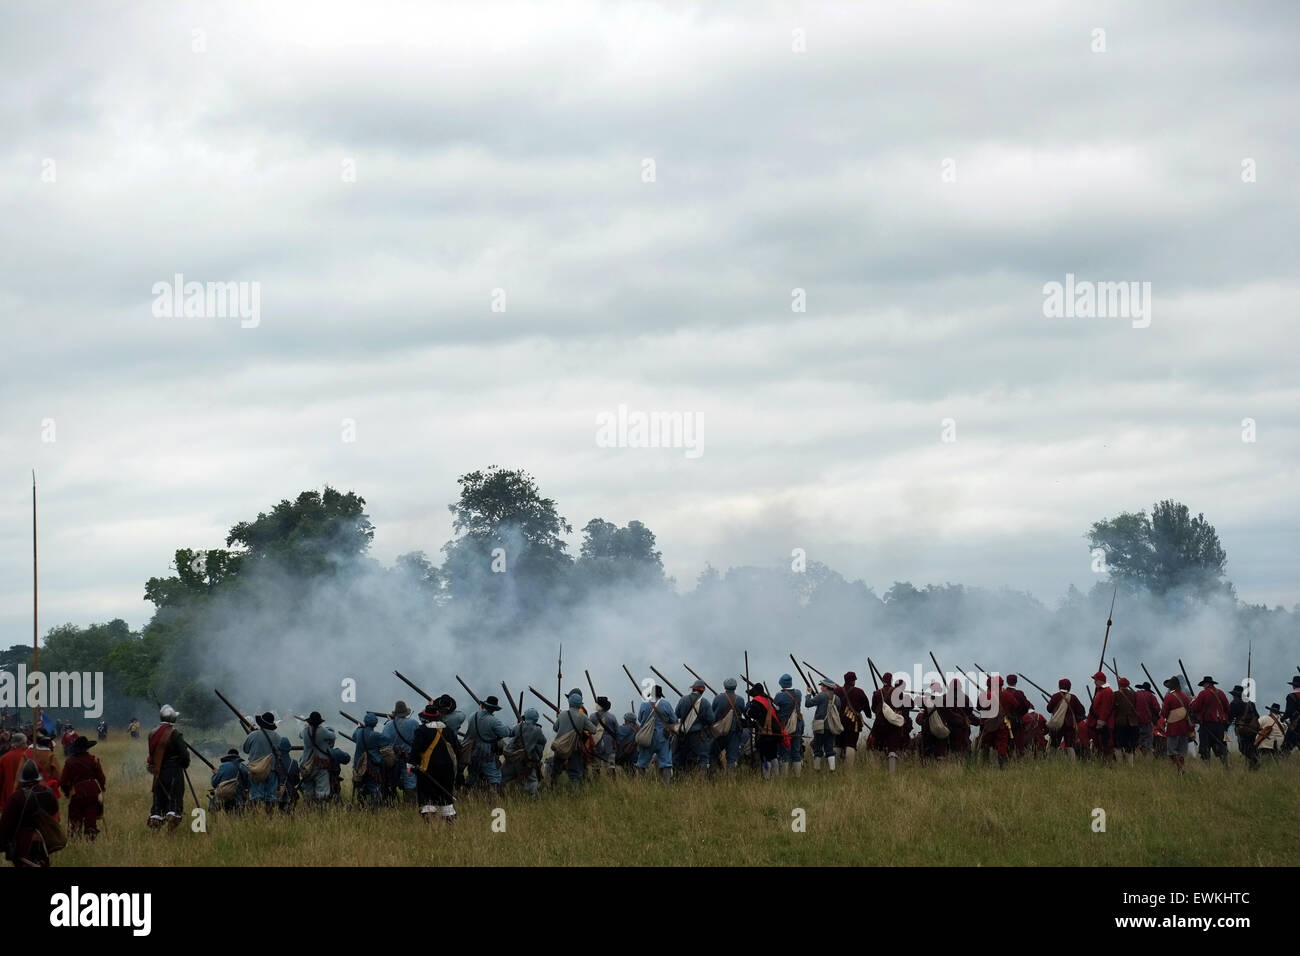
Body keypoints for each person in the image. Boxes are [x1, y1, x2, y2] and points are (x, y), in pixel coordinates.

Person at [0, 760, 61, 867]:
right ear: (37, 778)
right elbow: (54, 810)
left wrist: (3, 844)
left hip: (23, 841)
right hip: (43, 838)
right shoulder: (48, 792)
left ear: (23, 780)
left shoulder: (16, 797)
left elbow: (6, 822)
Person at [410, 701, 457, 824]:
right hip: (447, 769)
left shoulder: (421, 731)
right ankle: (448, 824)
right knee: (446, 796)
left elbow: (415, 750)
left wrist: (410, 764)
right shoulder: (449, 730)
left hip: (427, 769)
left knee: (427, 796)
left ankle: (429, 824)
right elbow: (456, 748)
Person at [147, 705, 190, 830]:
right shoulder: (174, 733)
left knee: (159, 800)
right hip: (174, 770)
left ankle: (156, 825)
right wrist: (184, 764)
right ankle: (171, 830)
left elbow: (152, 754)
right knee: (175, 799)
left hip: (158, 770)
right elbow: (184, 755)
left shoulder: (152, 733)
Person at [59, 736, 106, 839]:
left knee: (76, 819)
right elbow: (101, 778)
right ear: (86, 748)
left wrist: (67, 792)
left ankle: (76, 838)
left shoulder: (70, 762)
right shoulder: (94, 760)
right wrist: (101, 789)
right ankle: (90, 836)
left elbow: (62, 781)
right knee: (91, 818)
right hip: (93, 792)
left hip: (77, 793)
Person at [465, 696, 511, 791]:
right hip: (487, 754)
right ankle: (493, 799)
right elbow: (505, 733)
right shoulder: (493, 720)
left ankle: (465, 794)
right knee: (495, 777)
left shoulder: (472, 715)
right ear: (494, 708)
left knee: (472, 776)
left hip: (472, 752)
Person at [552, 690, 597, 787]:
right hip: (575, 748)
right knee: (575, 774)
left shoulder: (562, 714)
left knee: (555, 771)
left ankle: (552, 788)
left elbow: (555, 728)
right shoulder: (583, 716)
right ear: (580, 704)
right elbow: (593, 730)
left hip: (560, 747)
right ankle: (576, 794)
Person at [242, 711, 284, 814]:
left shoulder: (253, 735)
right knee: (271, 796)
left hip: (255, 770)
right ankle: (269, 817)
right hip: (271, 770)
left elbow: (245, 749)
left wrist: (251, 734)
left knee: (256, 795)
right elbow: (280, 753)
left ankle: (256, 817)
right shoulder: (277, 737)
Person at [634, 685, 678, 782]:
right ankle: (666, 786)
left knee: (641, 763)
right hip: (662, 737)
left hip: (647, 737)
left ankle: (637, 786)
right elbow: (674, 720)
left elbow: (640, 719)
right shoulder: (666, 704)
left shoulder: (644, 704)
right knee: (666, 763)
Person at [744, 682, 787, 779]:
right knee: (773, 755)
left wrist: (747, 709)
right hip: (775, 731)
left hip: (765, 732)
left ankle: (767, 777)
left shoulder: (756, 702)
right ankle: (776, 776)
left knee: (764, 756)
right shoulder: (768, 700)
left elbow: (751, 714)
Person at [502, 708, 547, 796]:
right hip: (526, 761)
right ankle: (534, 798)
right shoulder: (538, 730)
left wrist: (518, 725)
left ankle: (495, 794)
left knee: (502, 777)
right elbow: (543, 741)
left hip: (513, 758)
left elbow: (510, 733)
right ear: (536, 719)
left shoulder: (518, 726)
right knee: (532, 781)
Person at [380, 700, 419, 803]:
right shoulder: (414, 723)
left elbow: (384, 742)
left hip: (393, 760)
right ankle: (410, 804)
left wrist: (390, 722)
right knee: (410, 782)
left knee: (391, 782)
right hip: (409, 759)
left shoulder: (388, 725)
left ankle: (390, 802)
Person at [674, 681, 714, 773]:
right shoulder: (705, 702)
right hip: (698, 735)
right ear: (702, 691)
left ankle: (679, 777)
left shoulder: (683, 700)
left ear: (693, 689)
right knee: (703, 757)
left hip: (683, 734)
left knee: (681, 756)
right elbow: (711, 719)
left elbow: (677, 715)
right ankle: (701, 780)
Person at [1189, 676, 1230, 767]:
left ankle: (1207, 768)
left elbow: (1196, 708)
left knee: (1205, 748)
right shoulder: (1221, 693)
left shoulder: (1203, 693)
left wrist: (1193, 701)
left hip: (1207, 725)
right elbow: (1227, 707)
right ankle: (1226, 766)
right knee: (1222, 746)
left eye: (1204, 685)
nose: (1203, 686)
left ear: (1206, 684)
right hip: (1220, 726)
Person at [298, 711, 337, 804]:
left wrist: (306, 726)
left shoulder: (305, 730)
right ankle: (320, 810)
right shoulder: (323, 731)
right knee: (322, 791)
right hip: (321, 765)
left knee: (308, 790)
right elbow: (333, 736)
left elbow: (300, 735)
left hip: (306, 765)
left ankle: (310, 808)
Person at [804, 678, 843, 771]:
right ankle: (832, 770)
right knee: (829, 748)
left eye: (822, 686)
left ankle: (817, 769)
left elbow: (807, 704)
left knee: (817, 749)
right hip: (832, 727)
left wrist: (809, 693)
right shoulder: (837, 698)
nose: (821, 687)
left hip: (820, 726)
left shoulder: (821, 696)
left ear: (826, 687)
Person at [710, 678, 747, 771]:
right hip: (734, 731)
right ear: (735, 687)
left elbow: (712, 715)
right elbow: (744, 713)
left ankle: (713, 778)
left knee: (713, 754)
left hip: (719, 731)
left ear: (725, 686)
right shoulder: (740, 700)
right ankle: (731, 781)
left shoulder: (718, 698)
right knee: (732, 758)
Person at [835, 671, 870, 764]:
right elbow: (866, 705)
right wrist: (868, 714)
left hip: (838, 722)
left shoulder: (837, 691)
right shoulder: (859, 691)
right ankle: (849, 770)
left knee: (837, 744)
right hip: (852, 723)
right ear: (853, 681)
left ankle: (835, 768)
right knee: (850, 744)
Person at [350, 712, 385, 806]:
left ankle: (361, 806)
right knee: (374, 788)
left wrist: (359, 727)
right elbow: (387, 741)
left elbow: (354, 737)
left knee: (360, 787)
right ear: (375, 724)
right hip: (373, 767)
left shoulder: (359, 732)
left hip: (360, 766)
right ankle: (376, 809)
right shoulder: (376, 735)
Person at [1160, 677, 1193, 772]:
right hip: (1184, 727)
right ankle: (1180, 769)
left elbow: (1164, 713)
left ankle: (1180, 769)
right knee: (1182, 751)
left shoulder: (1169, 697)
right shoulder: (1184, 696)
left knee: (1171, 751)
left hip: (1173, 727)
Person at [1046, 679, 1086, 758]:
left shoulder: (1055, 696)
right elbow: (1082, 710)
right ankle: (1072, 763)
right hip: (1069, 725)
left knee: (1054, 744)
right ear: (1069, 687)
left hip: (1057, 724)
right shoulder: (1073, 698)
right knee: (1070, 745)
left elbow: (1048, 709)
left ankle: (1050, 762)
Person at [774, 674, 804, 775]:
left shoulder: (779, 695)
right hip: (797, 726)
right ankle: (798, 776)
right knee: (796, 751)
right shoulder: (798, 693)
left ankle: (784, 777)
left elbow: (776, 709)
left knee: (784, 751)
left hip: (785, 727)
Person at [1227, 685, 1260, 770]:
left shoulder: (1234, 703)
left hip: (1243, 729)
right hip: (1253, 728)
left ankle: (1255, 761)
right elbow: (1257, 715)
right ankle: (1252, 766)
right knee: (1251, 746)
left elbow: (1230, 717)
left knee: (1243, 748)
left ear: (1235, 694)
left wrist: (1226, 726)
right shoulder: (1250, 702)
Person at [209, 748, 250, 813]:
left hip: (223, 797)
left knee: (212, 806)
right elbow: (248, 785)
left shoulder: (223, 766)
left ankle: (213, 820)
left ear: (228, 756)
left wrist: (216, 774)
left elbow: (214, 783)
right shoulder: (244, 768)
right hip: (238, 800)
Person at [1087, 671, 1115, 761]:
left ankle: (1108, 763)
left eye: (1096, 680)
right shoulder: (1101, 691)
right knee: (1099, 744)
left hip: (1104, 724)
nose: (1094, 682)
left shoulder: (1107, 691)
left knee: (1106, 744)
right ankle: (1102, 762)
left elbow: (1105, 708)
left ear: (1101, 680)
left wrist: (1101, 722)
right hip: (1098, 723)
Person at [590, 696, 620, 777]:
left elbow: (589, 730)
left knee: (596, 766)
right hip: (610, 744)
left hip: (596, 743)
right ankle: (612, 784)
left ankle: (596, 783)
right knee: (611, 766)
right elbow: (617, 732)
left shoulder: (592, 717)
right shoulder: (612, 717)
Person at [1112, 677, 1140, 764]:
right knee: (1130, 746)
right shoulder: (1134, 694)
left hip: (1120, 723)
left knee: (1118, 745)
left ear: (1119, 685)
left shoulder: (1115, 694)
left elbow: (1113, 708)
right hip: (1133, 723)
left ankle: (1120, 764)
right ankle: (1130, 765)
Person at [1005, 675, 1033, 757]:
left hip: (1005, 721)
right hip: (1017, 721)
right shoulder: (1019, 693)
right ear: (1016, 682)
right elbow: (1026, 705)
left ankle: (1008, 758)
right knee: (1019, 743)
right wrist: (1020, 714)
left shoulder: (1003, 693)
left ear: (1007, 682)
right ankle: (1019, 760)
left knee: (1007, 742)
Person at [1134, 682, 1161, 755]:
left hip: (1136, 721)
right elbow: (1157, 709)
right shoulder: (1151, 696)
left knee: (1138, 739)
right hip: (1147, 721)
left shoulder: (1136, 694)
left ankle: (1138, 754)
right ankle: (1146, 755)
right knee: (1148, 739)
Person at [0, 732, 28, 801]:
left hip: (8, 795)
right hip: (24, 794)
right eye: (25, 743)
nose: (27, 745)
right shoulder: (26, 757)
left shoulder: (4, 758)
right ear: (21, 744)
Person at [275, 737, 299, 812]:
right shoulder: (294, 763)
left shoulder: (275, 762)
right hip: (290, 793)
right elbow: (296, 781)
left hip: (276, 793)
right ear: (289, 749)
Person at [1281, 677, 1300, 753]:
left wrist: (1283, 718)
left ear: (1293, 686)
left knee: (1286, 747)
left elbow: (1289, 711)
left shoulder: (1291, 696)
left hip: (1296, 726)